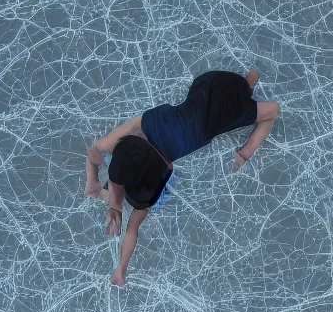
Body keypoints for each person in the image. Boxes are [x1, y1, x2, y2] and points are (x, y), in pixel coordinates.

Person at [84, 68, 279, 286]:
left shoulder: (158, 176)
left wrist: (120, 270)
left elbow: (132, 229)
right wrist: (97, 185)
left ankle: (245, 151)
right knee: (250, 83)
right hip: (203, 86)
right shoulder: (147, 122)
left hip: (217, 116)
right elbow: (95, 151)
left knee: (269, 107)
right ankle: (249, 88)